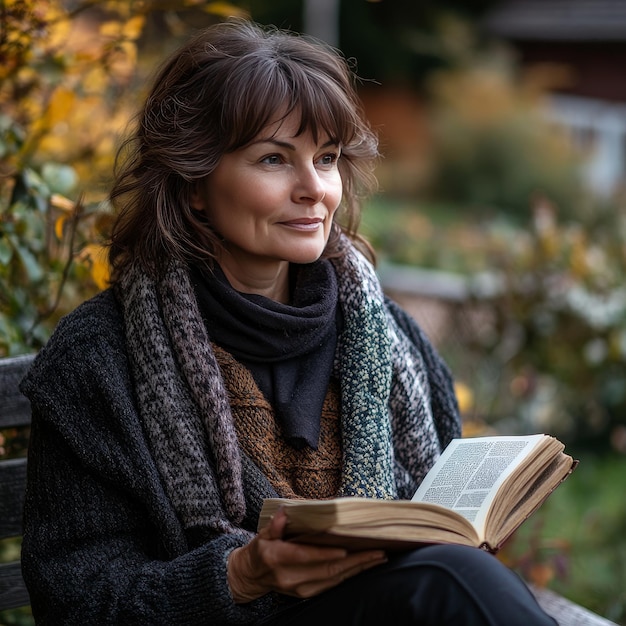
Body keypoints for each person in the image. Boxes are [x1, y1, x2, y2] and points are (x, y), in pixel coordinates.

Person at [20, 19, 557, 625]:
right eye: (274, 159)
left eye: (325, 159)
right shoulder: (99, 360)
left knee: (453, 578)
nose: (313, 190)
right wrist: (239, 576)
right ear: (194, 181)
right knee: (450, 584)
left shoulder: (391, 338)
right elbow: (76, 606)